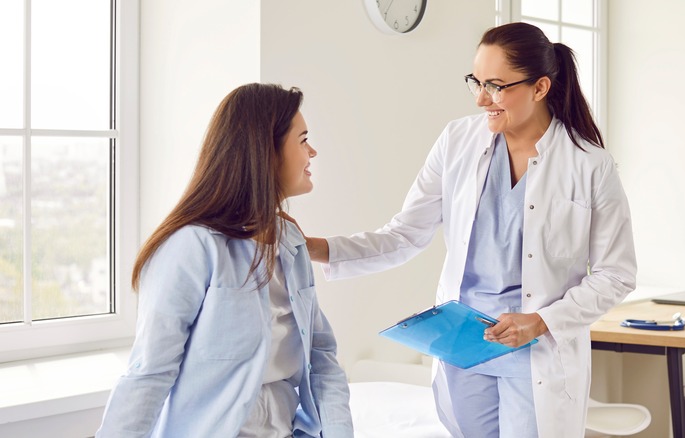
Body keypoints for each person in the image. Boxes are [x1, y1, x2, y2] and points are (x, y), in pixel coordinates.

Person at [302, 22, 636, 437]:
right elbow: (405, 234)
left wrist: (542, 321)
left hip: (534, 351)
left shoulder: (588, 164)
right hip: (462, 346)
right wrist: (310, 247)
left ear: (540, 87)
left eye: (495, 86)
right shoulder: (457, 141)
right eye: (475, 82)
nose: (481, 99)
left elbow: (616, 274)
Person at [96, 83, 354, 438]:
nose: (312, 151)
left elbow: (321, 356)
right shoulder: (192, 246)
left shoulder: (290, 242)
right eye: (302, 139)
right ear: (267, 151)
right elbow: (149, 372)